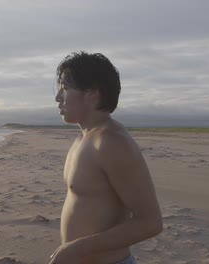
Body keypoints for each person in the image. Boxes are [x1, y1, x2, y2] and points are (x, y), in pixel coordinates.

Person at [50, 51, 163, 264]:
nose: (58, 98)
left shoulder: (112, 142)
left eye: (65, 89)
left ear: (92, 93)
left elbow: (150, 222)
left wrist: (76, 249)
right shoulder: (83, 139)